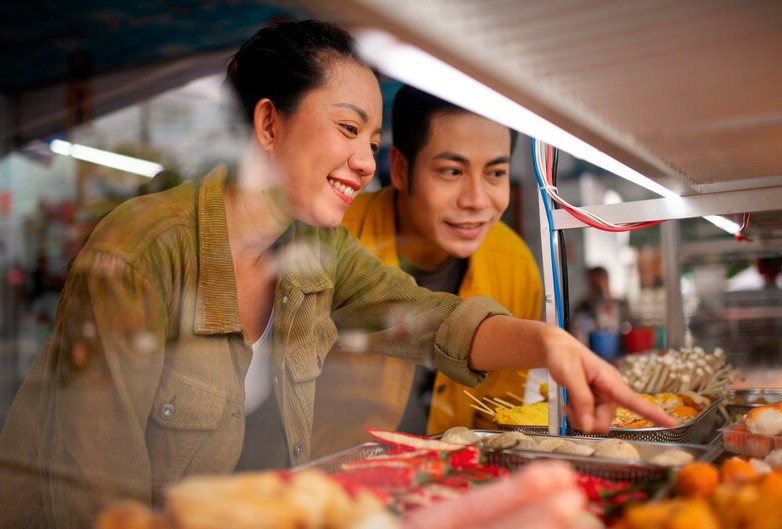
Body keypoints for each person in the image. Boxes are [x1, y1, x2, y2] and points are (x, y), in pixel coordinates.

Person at [0, 20, 672, 529]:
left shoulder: (314, 252)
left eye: (372, 143)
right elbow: (97, 500)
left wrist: (551, 344)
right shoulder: (141, 253)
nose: (364, 162)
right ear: (268, 121)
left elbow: (427, 318)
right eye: (347, 129)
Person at [312, 86, 542, 455]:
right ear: (401, 170)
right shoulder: (330, 236)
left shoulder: (515, 266)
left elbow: (500, 419)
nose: (477, 201)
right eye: (452, 171)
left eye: (496, 173)